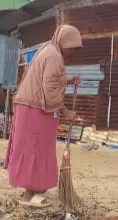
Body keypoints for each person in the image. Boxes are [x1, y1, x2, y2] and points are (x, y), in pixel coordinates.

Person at [5, 24, 82, 208]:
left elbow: (48, 80)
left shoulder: (49, 49)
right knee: (33, 149)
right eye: (72, 48)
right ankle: (28, 195)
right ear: (63, 42)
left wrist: (68, 81)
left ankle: (36, 188)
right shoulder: (54, 56)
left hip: (35, 106)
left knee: (40, 149)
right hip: (34, 108)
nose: (73, 52)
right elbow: (50, 91)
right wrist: (66, 112)